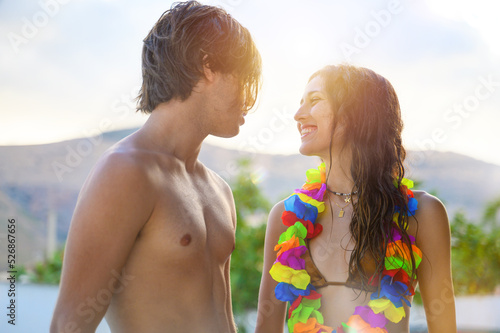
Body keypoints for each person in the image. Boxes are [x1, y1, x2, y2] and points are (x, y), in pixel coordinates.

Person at [50, 1, 261, 332]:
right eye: (245, 77)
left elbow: (224, 318)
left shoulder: (219, 190)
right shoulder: (127, 172)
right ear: (208, 66)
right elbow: (69, 323)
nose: (250, 95)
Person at [255, 65, 456, 333]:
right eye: (301, 103)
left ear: (353, 114)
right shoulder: (286, 218)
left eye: (314, 101)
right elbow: (266, 329)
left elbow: (443, 327)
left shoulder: (420, 214)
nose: (298, 115)